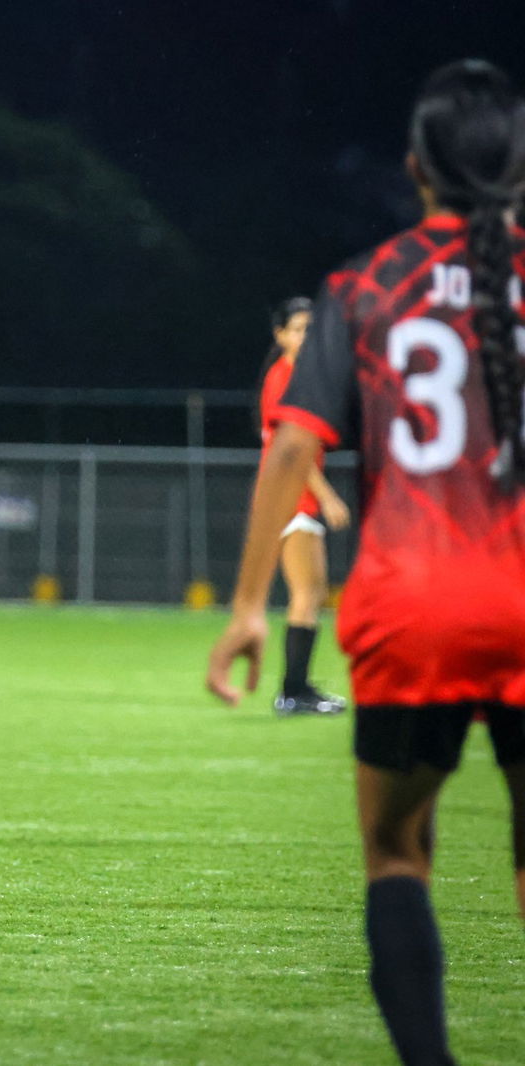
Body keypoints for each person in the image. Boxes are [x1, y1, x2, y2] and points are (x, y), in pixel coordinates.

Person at [207, 60, 525, 1066]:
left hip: (413, 604)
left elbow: (293, 448)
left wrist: (248, 605)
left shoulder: (361, 287)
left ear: (413, 170)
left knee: (397, 852)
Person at [256, 296, 352, 715]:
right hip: (290, 496)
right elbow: (291, 449)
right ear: (280, 335)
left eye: (311, 329)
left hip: (294, 495)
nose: (306, 337)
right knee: (305, 593)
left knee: (311, 593)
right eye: (297, 329)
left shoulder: (301, 377)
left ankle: (298, 688)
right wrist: (328, 495)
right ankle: (293, 692)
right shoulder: (284, 378)